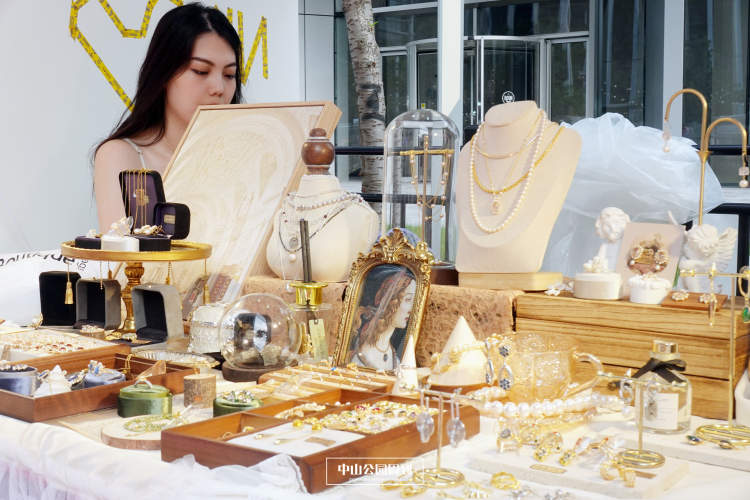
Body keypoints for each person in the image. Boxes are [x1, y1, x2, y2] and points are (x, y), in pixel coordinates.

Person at [94, 3, 243, 231]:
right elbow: (124, 251)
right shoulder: (122, 155)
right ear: (164, 73)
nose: (219, 88)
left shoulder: (242, 154)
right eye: (201, 71)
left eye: (229, 74)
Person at [349, 267, 417, 371]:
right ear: (390, 302)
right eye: (408, 299)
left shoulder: (391, 351)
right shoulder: (366, 352)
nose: (411, 309)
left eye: (413, 301)